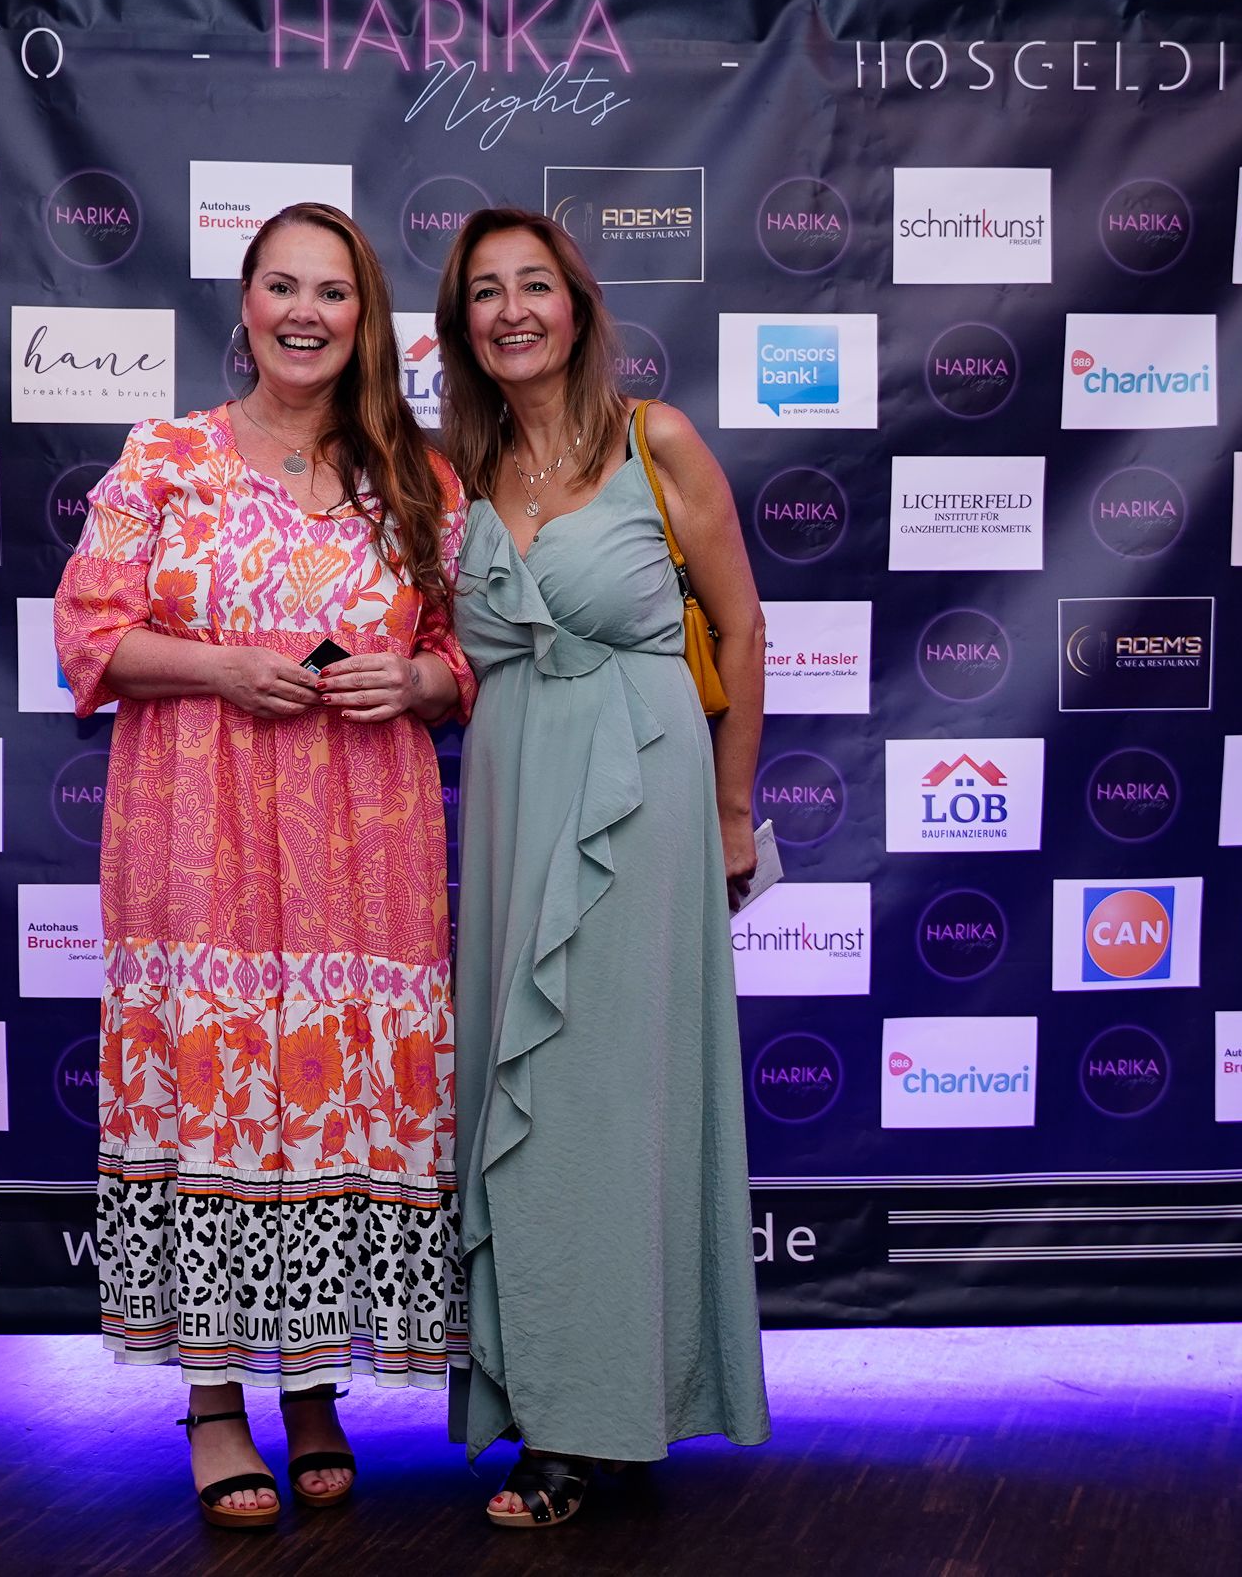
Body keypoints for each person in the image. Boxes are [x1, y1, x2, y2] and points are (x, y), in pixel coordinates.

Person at [53, 202, 475, 1530]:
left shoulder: (421, 476)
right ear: (244, 304)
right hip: (199, 830)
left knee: (332, 1096)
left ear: (366, 316)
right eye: (282, 286)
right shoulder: (166, 456)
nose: (306, 313)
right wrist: (221, 668)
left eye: (332, 292)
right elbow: (89, 639)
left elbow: (469, 657)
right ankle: (217, 1399)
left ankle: (313, 1387)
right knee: (217, 1092)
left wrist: (421, 681)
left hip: (366, 842)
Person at [435, 208, 772, 1527]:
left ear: (576, 306)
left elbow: (741, 630)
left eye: (535, 286)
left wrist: (735, 811)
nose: (513, 311)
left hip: (642, 799)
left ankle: (593, 1421)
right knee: (520, 1102)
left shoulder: (656, 440)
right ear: (461, 326)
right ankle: (551, 1394)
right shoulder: (456, 469)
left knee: (612, 1106)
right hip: (513, 798)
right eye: (485, 293)